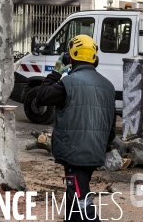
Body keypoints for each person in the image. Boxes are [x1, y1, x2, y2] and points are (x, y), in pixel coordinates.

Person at [36, 34, 116, 222]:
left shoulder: (67, 84)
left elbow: (41, 98)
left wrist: (56, 72)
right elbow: (111, 129)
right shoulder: (109, 86)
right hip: (95, 152)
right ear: (95, 58)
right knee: (74, 202)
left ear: (70, 58)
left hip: (74, 154)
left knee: (83, 205)